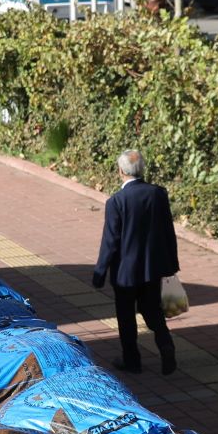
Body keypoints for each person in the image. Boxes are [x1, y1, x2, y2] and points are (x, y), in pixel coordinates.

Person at [91, 149, 179, 375]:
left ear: (120, 171)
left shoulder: (116, 201)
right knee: (153, 310)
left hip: (125, 271)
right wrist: (171, 264)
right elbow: (168, 231)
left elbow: (110, 240)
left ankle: (132, 360)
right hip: (152, 268)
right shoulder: (158, 194)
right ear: (142, 169)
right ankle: (165, 344)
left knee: (125, 315)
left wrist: (100, 272)